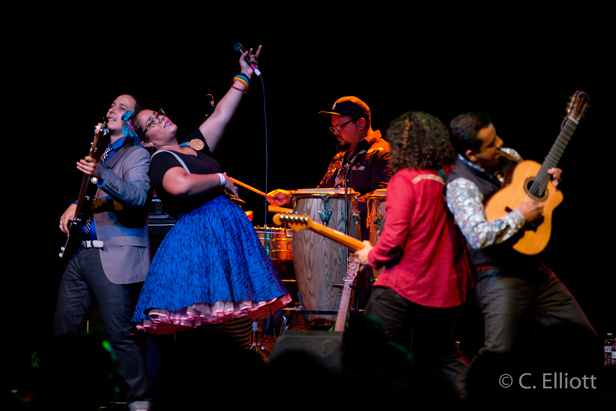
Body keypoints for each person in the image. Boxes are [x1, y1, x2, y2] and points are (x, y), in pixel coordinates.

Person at [130, 45, 291, 335]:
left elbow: (220, 114)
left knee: (228, 319)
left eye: (158, 113)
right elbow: (180, 185)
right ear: (147, 141)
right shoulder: (160, 159)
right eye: (151, 122)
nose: (161, 118)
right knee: (207, 322)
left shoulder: (192, 145)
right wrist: (220, 179)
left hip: (221, 234)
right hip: (200, 240)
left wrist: (244, 75)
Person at [445, 112, 599, 400]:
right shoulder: (461, 185)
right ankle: (452, 402)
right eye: (491, 143)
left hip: (536, 270)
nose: (500, 144)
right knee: (497, 354)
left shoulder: (509, 157)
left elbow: (530, 192)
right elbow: (478, 235)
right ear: (471, 154)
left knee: (587, 339)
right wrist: (520, 216)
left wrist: (548, 186)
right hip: (499, 276)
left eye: (496, 136)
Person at [354, 111, 471, 385]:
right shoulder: (452, 178)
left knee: (364, 348)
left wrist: (371, 255)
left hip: (406, 284)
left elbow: (393, 240)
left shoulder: (405, 179)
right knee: (444, 356)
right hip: (446, 287)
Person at [56, 94, 152, 411]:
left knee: (118, 333)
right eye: (112, 105)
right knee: (65, 331)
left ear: (131, 121)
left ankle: (139, 400)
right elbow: (94, 194)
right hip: (81, 253)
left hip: (111, 254)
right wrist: (75, 203)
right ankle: (68, 395)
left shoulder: (137, 154)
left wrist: (101, 174)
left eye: (122, 107)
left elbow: (137, 197)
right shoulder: (103, 153)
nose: (113, 109)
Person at [267, 96, 393, 306]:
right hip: (332, 249)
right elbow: (321, 194)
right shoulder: (339, 157)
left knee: (360, 310)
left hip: (363, 251)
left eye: (340, 126)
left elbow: (380, 201)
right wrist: (291, 197)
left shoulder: (381, 154)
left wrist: (337, 208)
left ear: (361, 123)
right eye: (333, 128)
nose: (335, 132)